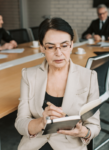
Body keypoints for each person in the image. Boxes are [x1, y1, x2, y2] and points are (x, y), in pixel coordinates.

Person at [15, 18, 100, 150]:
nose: (59, 53)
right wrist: (41, 122)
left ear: (71, 45)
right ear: (42, 47)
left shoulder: (89, 77)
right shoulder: (28, 75)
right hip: (35, 144)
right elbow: (20, 122)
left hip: (70, 145)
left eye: (64, 46)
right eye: (50, 47)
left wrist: (84, 132)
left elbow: (94, 126)